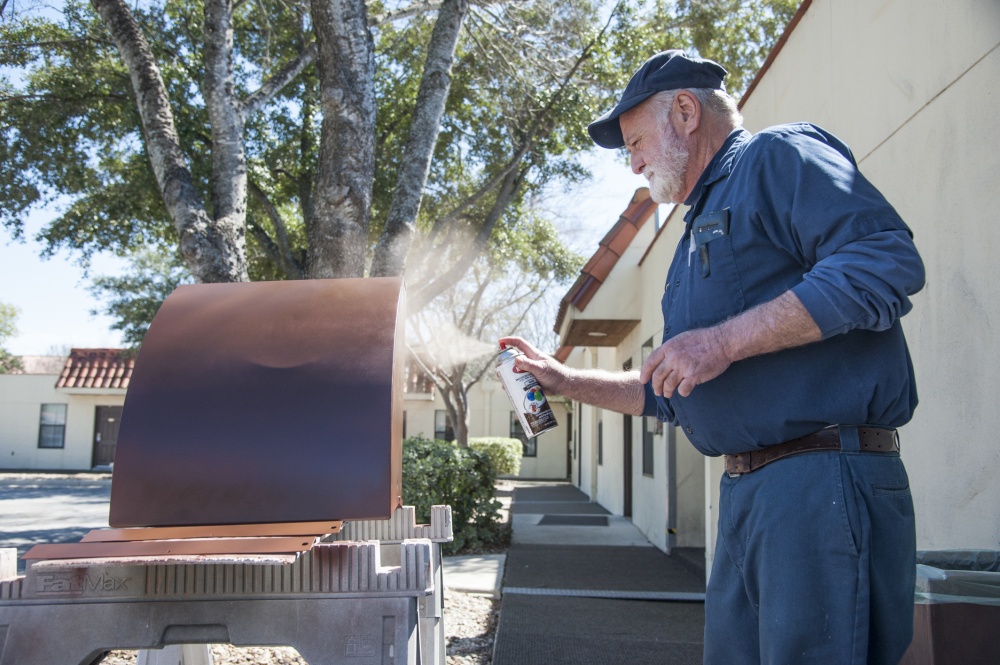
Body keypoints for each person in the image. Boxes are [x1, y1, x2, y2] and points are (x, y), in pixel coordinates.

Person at [500, 50, 924, 665]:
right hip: (748, 496)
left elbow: (885, 263)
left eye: (635, 141)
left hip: (819, 486)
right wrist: (561, 380)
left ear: (685, 110)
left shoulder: (777, 158)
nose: (633, 162)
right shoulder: (693, 229)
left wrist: (721, 342)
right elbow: (669, 391)